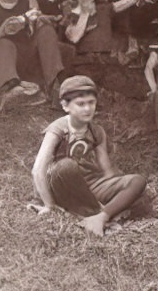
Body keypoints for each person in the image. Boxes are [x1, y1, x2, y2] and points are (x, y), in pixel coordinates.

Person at [30, 75, 150, 236]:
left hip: (90, 186)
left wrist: (122, 186)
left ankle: (101, 216)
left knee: (138, 180)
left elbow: (106, 170)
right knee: (67, 166)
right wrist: (49, 205)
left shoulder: (96, 131)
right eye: (80, 104)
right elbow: (38, 170)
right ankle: (97, 212)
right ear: (65, 106)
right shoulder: (59, 128)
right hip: (62, 184)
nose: (87, 109)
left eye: (91, 103)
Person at [64, 0, 151, 62]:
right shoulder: (70, 12)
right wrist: (85, 12)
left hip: (106, 60)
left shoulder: (104, 9)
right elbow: (74, 37)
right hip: (83, 62)